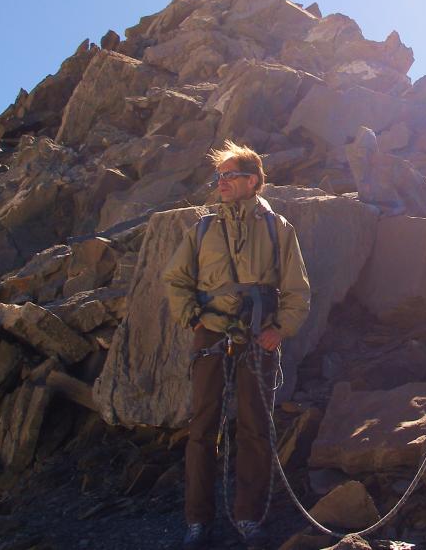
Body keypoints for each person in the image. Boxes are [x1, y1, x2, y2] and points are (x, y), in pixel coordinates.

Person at [163, 141, 310, 550]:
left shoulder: (278, 228)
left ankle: (249, 517)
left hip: (259, 333)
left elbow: (297, 288)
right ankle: (198, 521)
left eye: (230, 175)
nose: (222, 183)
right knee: (202, 426)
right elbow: (176, 278)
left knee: (255, 426)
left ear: (253, 181)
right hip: (210, 332)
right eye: (219, 176)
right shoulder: (203, 228)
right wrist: (193, 318)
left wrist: (280, 329)